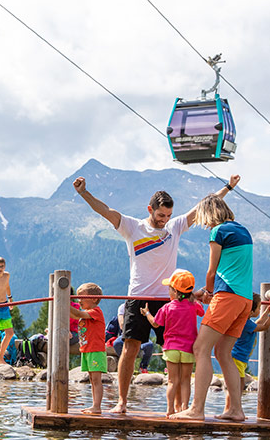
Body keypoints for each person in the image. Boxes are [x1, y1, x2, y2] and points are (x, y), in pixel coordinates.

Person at [73, 173, 240, 414]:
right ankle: (121, 402)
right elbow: (105, 210)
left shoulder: (174, 227)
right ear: (150, 209)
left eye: (169, 216)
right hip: (138, 297)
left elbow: (202, 206)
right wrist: (84, 193)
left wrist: (228, 188)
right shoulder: (133, 227)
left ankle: (180, 407)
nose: (165, 220)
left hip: (168, 301)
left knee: (178, 352)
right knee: (130, 348)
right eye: (161, 215)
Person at [172, 194, 254, 422]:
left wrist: (207, 293)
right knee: (223, 352)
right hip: (244, 300)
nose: (204, 224)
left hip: (227, 296)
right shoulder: (243, 230)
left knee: (201, 348)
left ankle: (196, 409)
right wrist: (210, 291)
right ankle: (236, 410)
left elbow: (212, 271)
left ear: (209, 214)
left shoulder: (218, 232)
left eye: (203, 219)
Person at [140, 269, 205, 415]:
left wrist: (147, 313)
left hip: (171, 348)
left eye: (169, 288)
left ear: (175, 292)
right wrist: (194, 299)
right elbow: (202, 313)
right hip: (188, 348)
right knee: (186, 380)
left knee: (172, 381)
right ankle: (184, 409)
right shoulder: (194, 305)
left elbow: (155, 324)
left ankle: (169, 410)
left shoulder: (167, 307)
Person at [70, 282, 107, 415]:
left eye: (81, 297)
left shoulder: (95, 312)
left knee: (96, 380)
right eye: (77, 297)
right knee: (92, 379)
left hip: (96, 350)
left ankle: (97, 406)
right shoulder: (86, 312)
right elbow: (74, 315)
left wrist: (64, 300)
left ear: (94, 299)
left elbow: (77, 314)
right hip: (87, 350)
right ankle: (94, 405)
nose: (79, 300)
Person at [226, 294, 270, 390]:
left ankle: (233, 404)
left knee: (238, 385)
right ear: (251, 311)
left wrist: (267, 312)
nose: (260, 310)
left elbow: (257, 323)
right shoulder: (246, 324)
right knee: (238, 385)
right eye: (259, 308)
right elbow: (264, 327)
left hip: (240, 358)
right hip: (238, 358)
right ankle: (232, 404)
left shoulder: (246, 322)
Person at [106, 302, 154, 373]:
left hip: (140, 335)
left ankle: (143, 367)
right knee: (117, 343)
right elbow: (121, 325)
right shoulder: (122, 307)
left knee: (149, 345)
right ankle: (126, 363)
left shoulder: (141, 307)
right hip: (126, 334)